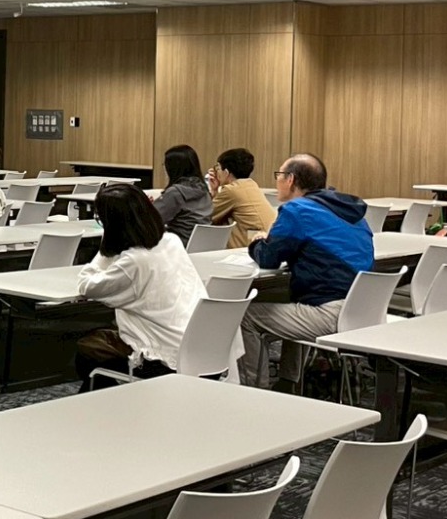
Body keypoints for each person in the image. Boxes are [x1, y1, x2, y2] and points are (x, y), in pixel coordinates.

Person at [239, 154, 372, 392]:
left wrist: (257, 242)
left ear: (290, 179)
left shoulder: (297, 211)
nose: (277, 181)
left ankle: (254, 392)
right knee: (296, 299)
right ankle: (289, 383)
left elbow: (269, 257)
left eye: (279, 176)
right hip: (364, 311)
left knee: (243, 315)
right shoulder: (352, 212)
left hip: (330, 313)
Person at [73, 184, 207, 393]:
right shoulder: (171, 241)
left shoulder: (134, 262)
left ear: (112, 225)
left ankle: (106, 403)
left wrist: (107, 246)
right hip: (199, 348)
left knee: (86, 353)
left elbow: (86, 285)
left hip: (164, 358)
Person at [208, 147, 277, 249]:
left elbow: (208, 216)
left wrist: (213, 192)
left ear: (226, 172)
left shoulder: (231, 190)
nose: (215, 172)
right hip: (266, 238)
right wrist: (215, 191)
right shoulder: (251, 184)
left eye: (217, 168)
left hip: (252, 244)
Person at [153, 144, 211, 245]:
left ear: (172, 168)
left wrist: (145, 206)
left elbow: (150, 220)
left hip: (177, 247)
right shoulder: (204, 189)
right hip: (201, 246)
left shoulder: (176, 193)